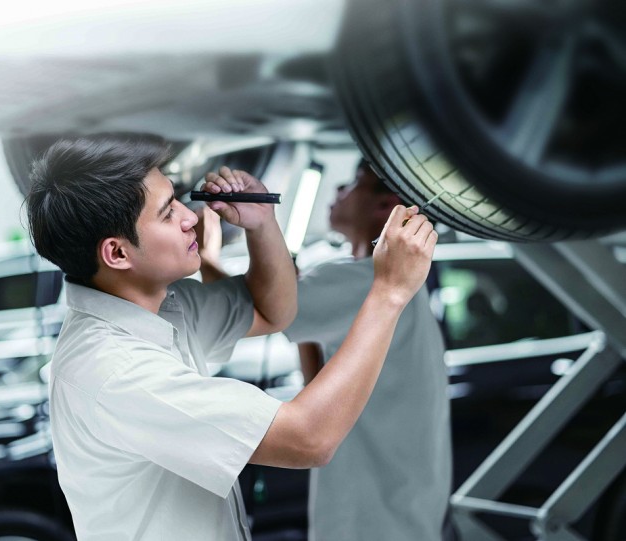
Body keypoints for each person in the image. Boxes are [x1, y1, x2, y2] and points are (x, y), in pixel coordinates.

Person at [25, 133, 437, 541]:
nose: (190, 217)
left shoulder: (165, 308)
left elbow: (271, 310)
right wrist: (389, 292)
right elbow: (309, 439)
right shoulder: (115, 371)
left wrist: (261, 226)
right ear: (117, 253)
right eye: (167, 213)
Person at [282, 158, 452, 541]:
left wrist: (253, 234)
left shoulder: (362, 280)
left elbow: (266, 310)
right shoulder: (393, 286)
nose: (339, 192)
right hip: (396, 514)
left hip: (370, 519)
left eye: (353, 182)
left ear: (386, 205)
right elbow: (318, 385)